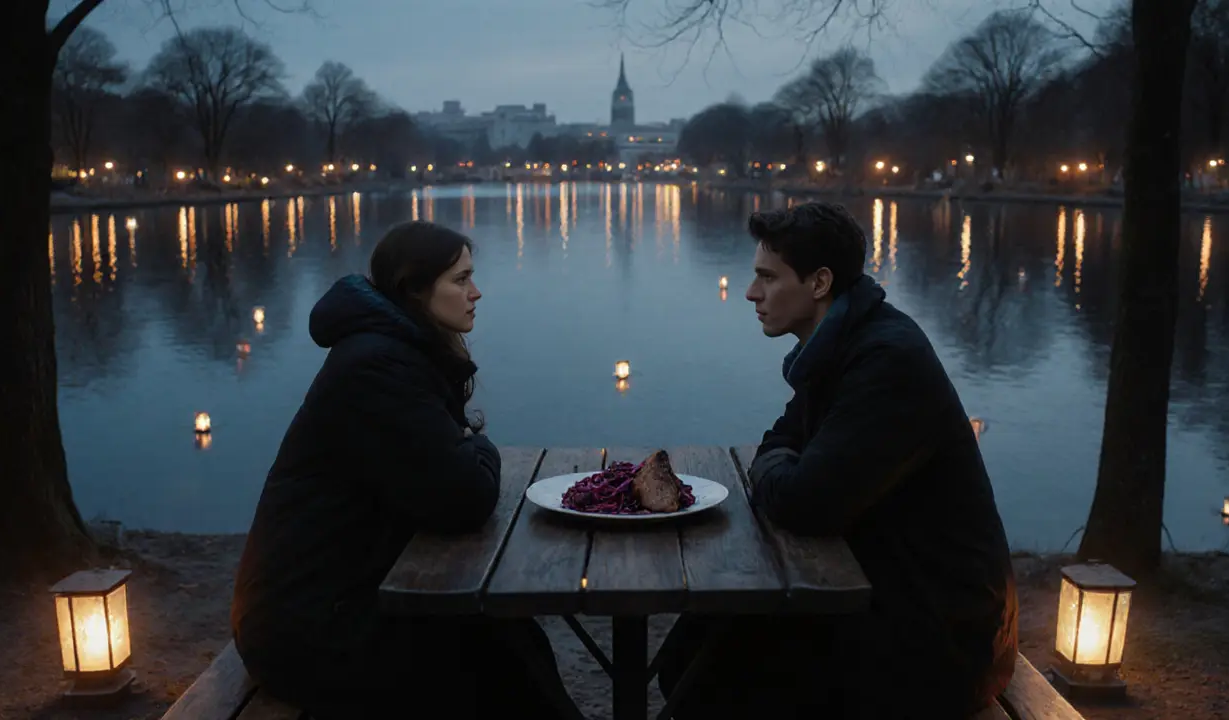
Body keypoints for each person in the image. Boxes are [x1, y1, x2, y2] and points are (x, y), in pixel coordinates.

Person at [657, 202, 1019, 719]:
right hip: (890, 589)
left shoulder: (884, 360)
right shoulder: (842, 344)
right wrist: (781, 466)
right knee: (693, 645)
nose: (750, 293)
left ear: (819, 282)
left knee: (713, 674)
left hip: (941, 636)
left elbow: (805, 502)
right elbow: (780, 446)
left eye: (766, 277)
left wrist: (778, 469)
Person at [231, 221, 571, 719]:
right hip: (308, 629)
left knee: (507, 638)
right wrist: (483, 449)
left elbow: (445, 479)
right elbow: (464, 496)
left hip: (336, 600)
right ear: (414, 288)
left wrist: (468, 451)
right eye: (460, 280)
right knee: (495, 655)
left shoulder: (394, 354)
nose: (476, 293)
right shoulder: (376, 369)